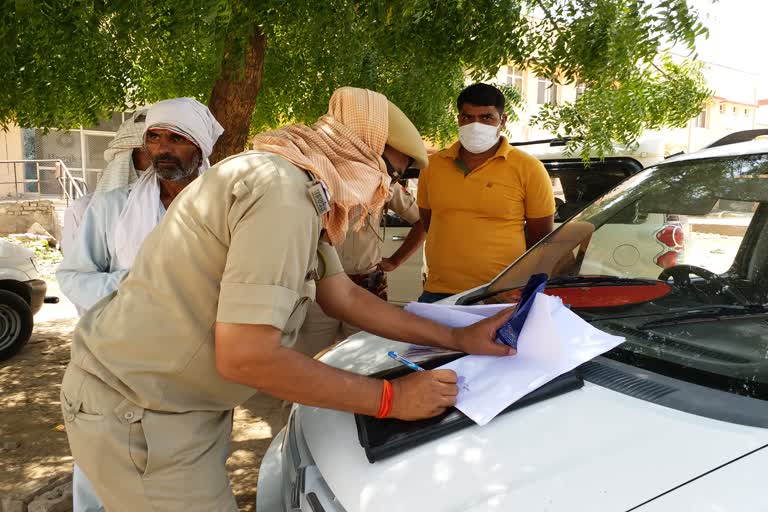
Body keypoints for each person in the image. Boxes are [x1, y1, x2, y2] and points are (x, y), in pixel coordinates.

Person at [59, 87, 515, 511]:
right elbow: (247, 358)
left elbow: (343, 298)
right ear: (357, 151)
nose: (385, 186)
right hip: (140, 411)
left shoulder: (302, 187)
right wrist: (390, 399)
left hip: (177, 403)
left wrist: (459, 335)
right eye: (390, 170)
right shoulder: (278, 193)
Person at [56, 97, 223, 512]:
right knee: (99, 478)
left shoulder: (224, 213)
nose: (163, 148)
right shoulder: (112, 209)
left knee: (188, 480)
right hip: (113, 370)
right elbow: (72, 277)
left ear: (200, 147)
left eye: (176, 139)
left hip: (192, 377)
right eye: (155, 137)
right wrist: (137, 286)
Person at [417, 83, 556, 303]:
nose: (475, 125)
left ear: (503, 121)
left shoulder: (528, 168)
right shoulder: (432, 166)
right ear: (458, 119)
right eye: (467, 117)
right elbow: (430, 223)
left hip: (500, 294)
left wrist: (513, 287)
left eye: (486, 117)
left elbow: (541, 239)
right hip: (438, 291)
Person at [297, 167, 427, 356]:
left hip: (366, 285)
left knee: (367, 356)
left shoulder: (382, 181)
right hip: (320, 285)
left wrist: (395, 261)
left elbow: (422, 221)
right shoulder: (316, 175)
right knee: (311, 356)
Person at [60, 109, 152, 255]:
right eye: (151, 154)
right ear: (126, 158)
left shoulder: (181, 209)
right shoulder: (82, 211)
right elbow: (77, 274)